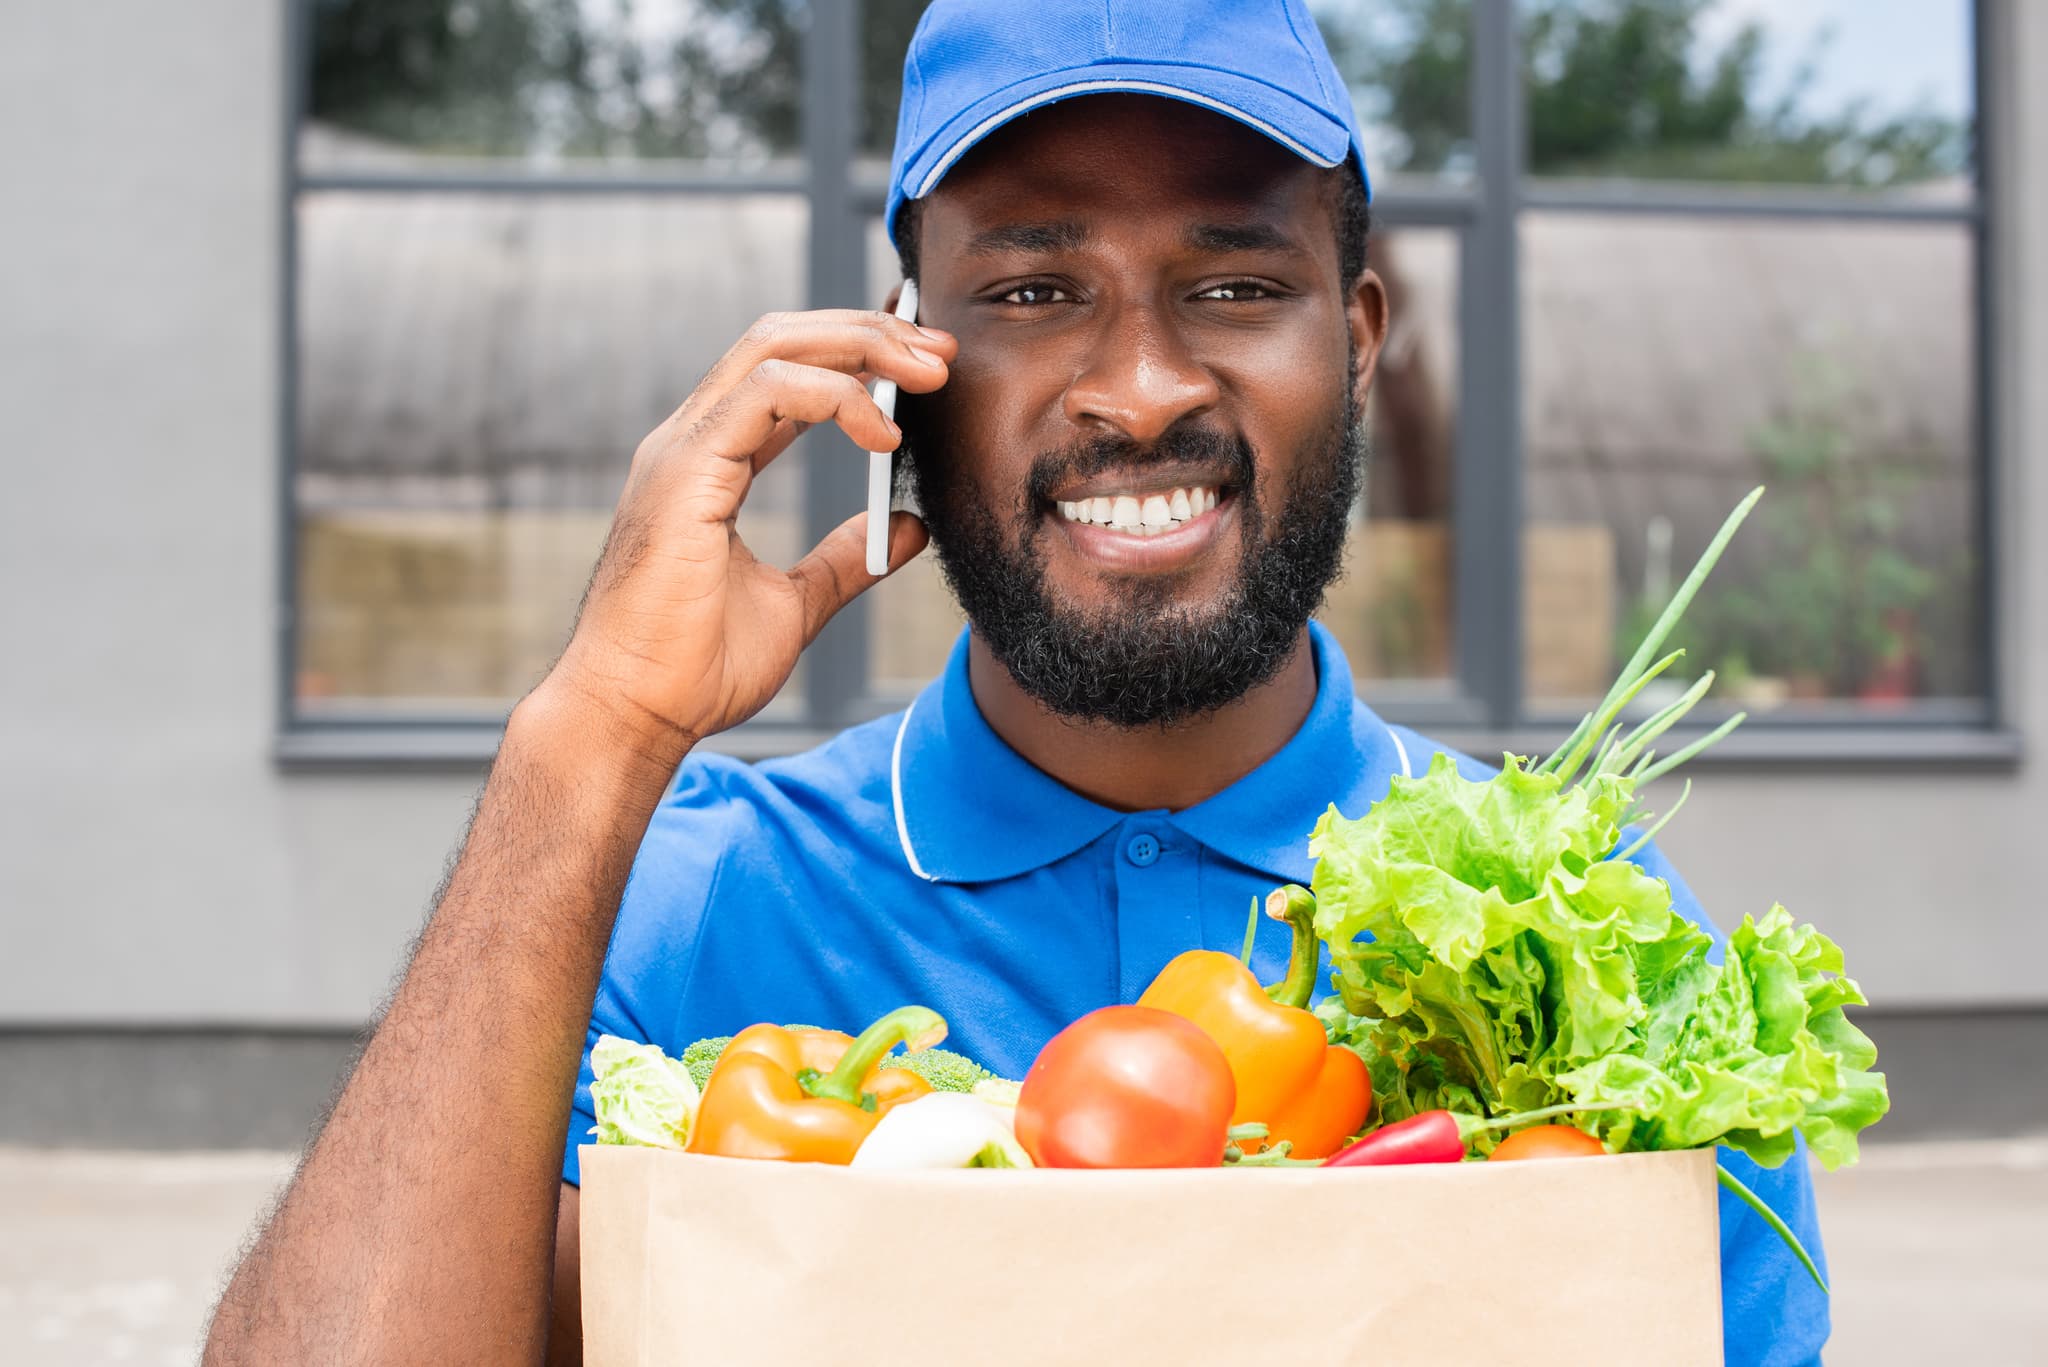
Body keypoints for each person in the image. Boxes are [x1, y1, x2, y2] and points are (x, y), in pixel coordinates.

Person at [202, 2, 1827, 1363]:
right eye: (1035, 292)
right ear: (903, 367)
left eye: (1239, 285)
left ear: (1358, 337)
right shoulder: (696, 897)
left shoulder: (1584, 947)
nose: (1137, 390)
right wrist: (590, 741)